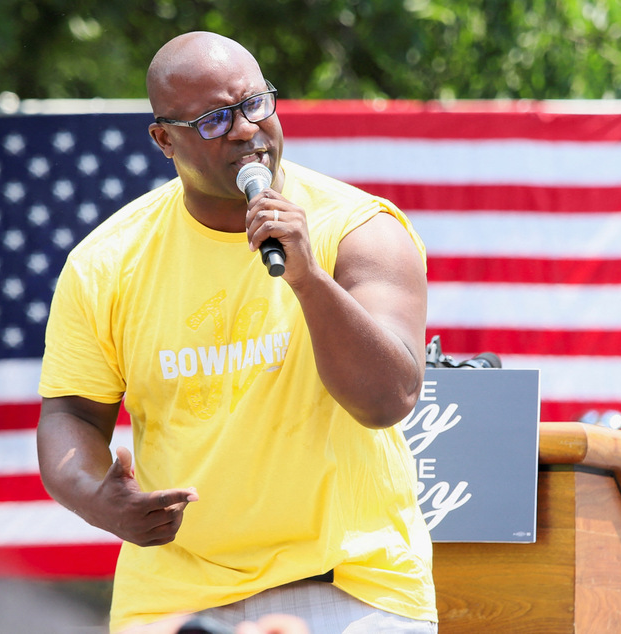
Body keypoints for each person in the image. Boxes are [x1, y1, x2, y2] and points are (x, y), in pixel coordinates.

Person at [36, 31, 436, 633]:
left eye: (255, 104)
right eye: (215, 119)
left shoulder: (358, 230)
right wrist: (97, 499)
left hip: (346, 589)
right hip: (173, 598)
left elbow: (389, 400)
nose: (246, 129)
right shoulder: (107, 262)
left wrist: (308, 281)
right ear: (164, 138)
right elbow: (70, 415)